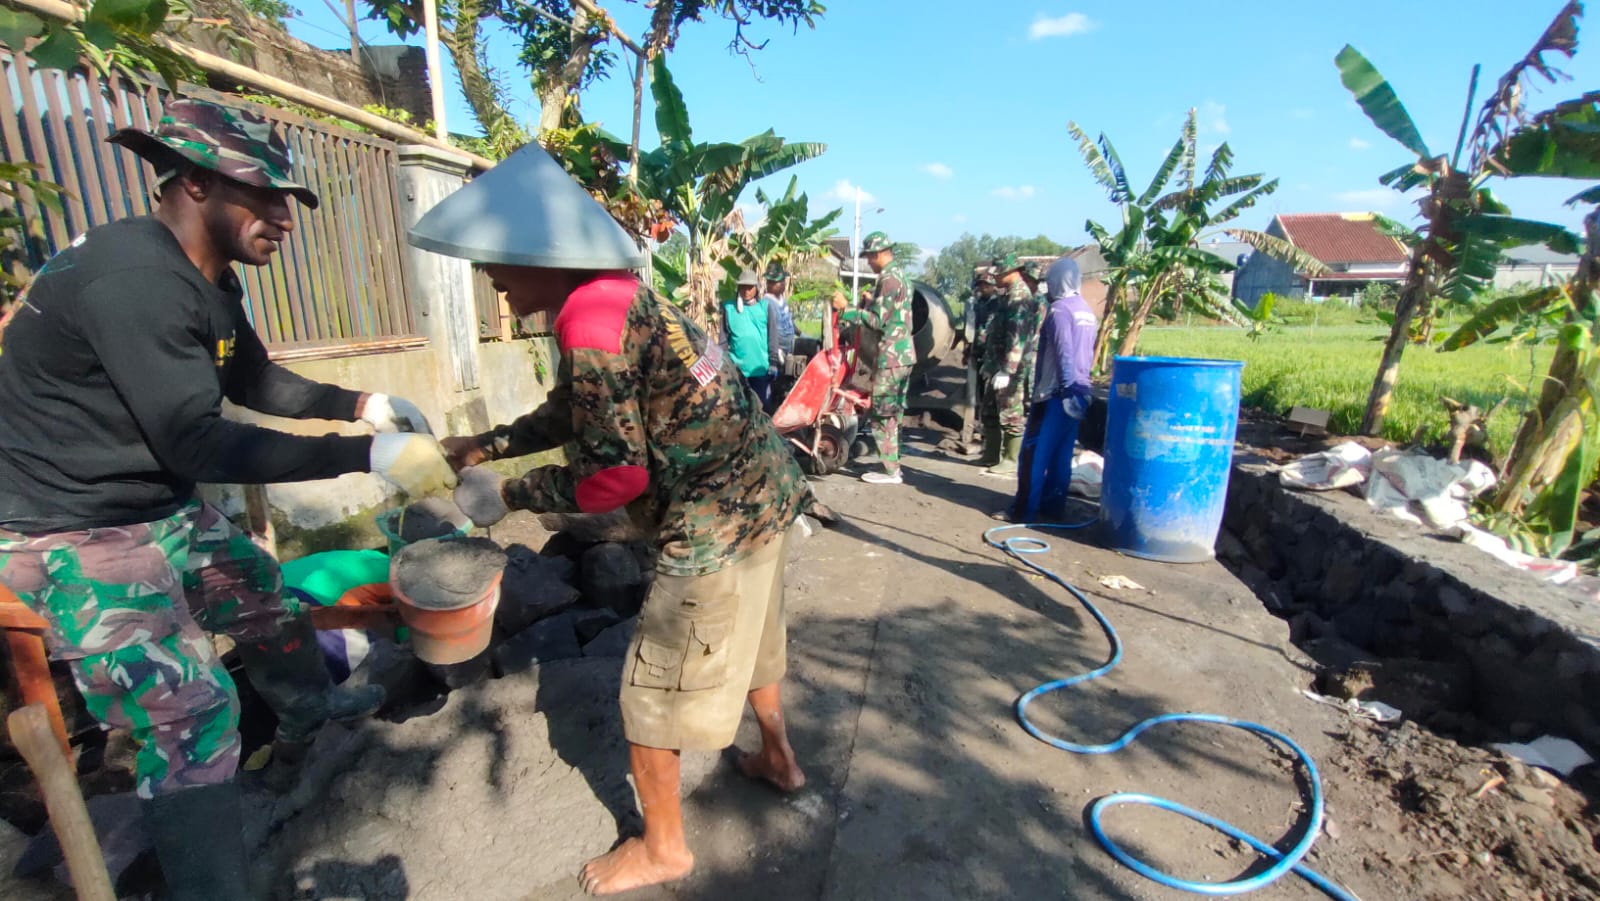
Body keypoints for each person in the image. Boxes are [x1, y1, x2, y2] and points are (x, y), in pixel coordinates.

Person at [0, 99, 457, 899]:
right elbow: (198, 442)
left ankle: (312, 715)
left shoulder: (206, 281)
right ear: (196, 186)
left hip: (150, 503)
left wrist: (362, 405)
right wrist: (367, 455)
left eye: (288, 200)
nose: (283, 216)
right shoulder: (134, 280)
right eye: (265, 195)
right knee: (194, 709)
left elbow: (255, 381)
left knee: (261, 593)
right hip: (64, 526)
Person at [413, 144, 810, 896]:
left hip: (711, 521)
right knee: (758, 643)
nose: (487, 274)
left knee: (650, 693)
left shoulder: (588, 322)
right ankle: (780, 760)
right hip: (766, 493)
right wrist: (489, 444)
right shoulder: (614, 296)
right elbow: (576, 412)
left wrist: (511, 494)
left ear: (544, 253)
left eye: (496, 257)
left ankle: (664, 848)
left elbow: (613, 479)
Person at [1011, 257, 1097, 521]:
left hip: (1055, 395)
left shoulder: (1060, 311)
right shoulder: (1086, 311)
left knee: (1034, 455)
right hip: (1080, 393)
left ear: (1057, 281)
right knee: (1062, 455)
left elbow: (1064, 353)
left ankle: (1024, 512)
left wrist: (1066, 387)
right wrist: (1078, 390)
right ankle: (1053, 509)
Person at [832, 230, 915, 484]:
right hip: (903, 354)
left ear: (879, 253)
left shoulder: (888, 279)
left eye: (869, 257)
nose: (868, 261)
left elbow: (878, 321)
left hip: (891, 356)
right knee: (893, 412)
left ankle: (891, 471)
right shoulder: (901, 276)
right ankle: (892, 465)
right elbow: (892, 311)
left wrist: (847, 311)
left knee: (882, 412)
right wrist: (871, 299)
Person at [981, 254, 1045, 478]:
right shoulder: (1007, 295)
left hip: (1010, 367)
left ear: (1010, 272)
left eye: (998, 274)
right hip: (995, 364)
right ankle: (990, 453)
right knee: (989, 408)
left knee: (1011, 411)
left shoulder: (1019, 297)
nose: (995, 278)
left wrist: (1008, 369)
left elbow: (1018, 337)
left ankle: (1010, 459)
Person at [721, 269, 779, 409]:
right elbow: (723, 340)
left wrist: (773, 362)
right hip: (737, 371)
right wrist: (722, 364)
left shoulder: (765, 307)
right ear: (738, 288)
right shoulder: (729, 308)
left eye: (750, 287)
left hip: (760, 369)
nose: (746, 291)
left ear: (756, 288)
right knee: (738, 409)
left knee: (762, 407)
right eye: (743, 287)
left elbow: (773, 336)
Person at [762, 260, 798, 411]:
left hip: (790, 346)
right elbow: (769, 330)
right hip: (778, 351)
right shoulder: (767, 303)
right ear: (770, 284)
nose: (783, 285)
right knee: (779, 386)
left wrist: (801, 334)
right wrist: (776, 353)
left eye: (783, 281)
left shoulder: (783, 301)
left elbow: (789, 322)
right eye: (779, 282)